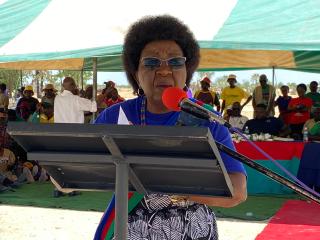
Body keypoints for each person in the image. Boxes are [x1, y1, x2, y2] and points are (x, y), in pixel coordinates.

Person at [95, 15, 247, 239]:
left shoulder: (206, 119)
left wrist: (172, 186)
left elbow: (238, 192)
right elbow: (72, 172)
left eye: (176, 62)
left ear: (187, 72)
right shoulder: (114, 116)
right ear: (136, 74)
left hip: (192, 231)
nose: (164, 70)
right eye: (151, 62)